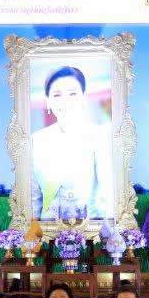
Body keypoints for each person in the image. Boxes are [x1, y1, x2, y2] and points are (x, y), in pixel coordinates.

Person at [30, 66, 114, 221]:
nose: (65, 101)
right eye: (57, 95)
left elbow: (107, 192)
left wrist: (104, 229)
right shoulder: (36, 139)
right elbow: (33, 197)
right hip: (47, 227)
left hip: (90, 226)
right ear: (48, 101)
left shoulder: (99, 136)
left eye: (72, 93)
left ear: (83, 97)